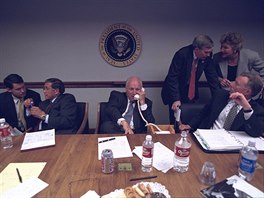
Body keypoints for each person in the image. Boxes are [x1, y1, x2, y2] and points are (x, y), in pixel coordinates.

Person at [180, 72, 264, 137]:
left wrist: (246, 108)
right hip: (207, 137)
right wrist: (189, 125)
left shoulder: (257, 110)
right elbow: (203, 112)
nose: (231, 84)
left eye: (237, 83)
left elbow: (255, 132)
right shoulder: (220, 95)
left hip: (232, 147)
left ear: (247, 92)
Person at [161, 35, 220, 124]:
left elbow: (213, 79)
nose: (208, 55)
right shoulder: (182, 54)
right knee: (176, 122)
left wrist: (218, 99)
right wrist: (175, 99)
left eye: (209, 52)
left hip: (190, 92)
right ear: (196, 49)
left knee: (190, 121)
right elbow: (173, 77)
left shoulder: (207, 57)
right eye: (206, 52)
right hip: (175, 91)